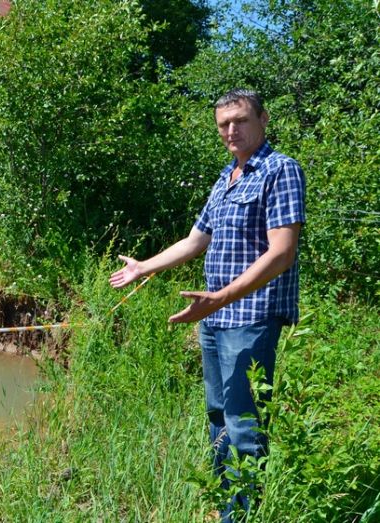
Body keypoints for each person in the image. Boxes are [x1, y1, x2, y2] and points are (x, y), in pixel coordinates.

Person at [109, 89, 305, 520]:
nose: (231, 130)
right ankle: (223, 507)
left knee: (244, 424)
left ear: (263, 119)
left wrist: (218, 298)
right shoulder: (226, 178)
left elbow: (281, 253)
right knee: (218, 416)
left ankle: (243, 514)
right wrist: (145, 266)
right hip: (214, 319)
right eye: (223, 124)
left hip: (250, 317)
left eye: (240, 120)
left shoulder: (279, 170)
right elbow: (197, 240)